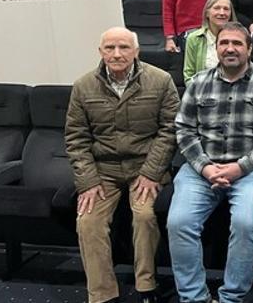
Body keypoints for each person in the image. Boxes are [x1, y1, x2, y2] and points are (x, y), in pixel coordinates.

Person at [168, 22, 253, 303]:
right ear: (217, 47)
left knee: (246, 223)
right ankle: (194, 297)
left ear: (249, 48)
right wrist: (206, 167)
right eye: (224, 43)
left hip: (251, 170)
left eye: (237, 43)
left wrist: (240, 167)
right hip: (202, 169)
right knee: (178, 222)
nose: (230, 49)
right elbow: (183, 129)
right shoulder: (198, 82)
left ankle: (231, 297)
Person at [66, 27, 178, 303]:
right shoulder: (83, 86)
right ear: (101, 52)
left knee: (144, 216)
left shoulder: (160, 80)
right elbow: (76, 138)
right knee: (88, 221)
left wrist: (152, 172)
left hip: (146, 168)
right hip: (103, 171)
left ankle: (146, 285)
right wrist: (88, 182)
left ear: (136, 52)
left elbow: (170, 130)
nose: (117, 54)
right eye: (110, 48)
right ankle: (102, 294)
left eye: (124, 48)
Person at [183, 0, 238, 82]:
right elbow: (189, 76)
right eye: (217, 8)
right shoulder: (194, 39)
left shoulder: (239, 38)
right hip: (203, 92)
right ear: (207, 13)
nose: (222, 13)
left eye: (226, 9)